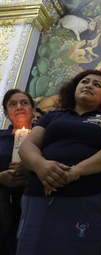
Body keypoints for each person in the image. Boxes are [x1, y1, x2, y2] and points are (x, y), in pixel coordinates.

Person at [16, 70, 101, 255]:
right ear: (74, 88)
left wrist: (75, 171)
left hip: (87, 196)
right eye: (85, 81)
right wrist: (41, 166)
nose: (89, 85)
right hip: (40, 192)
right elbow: (27, 146)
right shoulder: (51, 116)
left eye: (97, 84)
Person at [0, 89, 34, 255]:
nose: (19, 107)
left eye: (24, 103)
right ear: (6, 114)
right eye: (13, 104)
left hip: (33, 209)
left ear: (33, 111)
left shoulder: (45, 138)